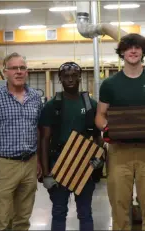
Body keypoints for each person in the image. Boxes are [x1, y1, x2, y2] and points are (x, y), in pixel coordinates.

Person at [95, 33, 145, 230]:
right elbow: (100, 116)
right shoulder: (109, 84)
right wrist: (107, 128)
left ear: (142, 51)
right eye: (128, 47)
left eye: (137, 47)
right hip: (118, 153)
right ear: (122, 52)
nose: (133, 51)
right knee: (120, 209)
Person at [0, 52, 43, 231]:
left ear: (27, 72)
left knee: (23, 218)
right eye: (14, 68)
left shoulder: (36, 97)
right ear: (5, 72)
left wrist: (38, 160)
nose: (19, 72)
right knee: (1, 218)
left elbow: (37, 129)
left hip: (29, 163)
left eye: (22, 68)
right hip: (2, 165)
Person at [39, 61, 105, 231]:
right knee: (59, 211)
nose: (70, 79)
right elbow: (44, 139)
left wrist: (100, 159)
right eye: (66, 76)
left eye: (74, 76)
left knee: (85, 212)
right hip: (58, 163)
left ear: (79, 77)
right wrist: (46, 174)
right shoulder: (51, 106)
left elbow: (98, 136)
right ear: (60, 79)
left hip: (84, 163)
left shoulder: (91, 104)